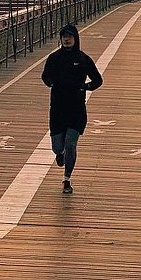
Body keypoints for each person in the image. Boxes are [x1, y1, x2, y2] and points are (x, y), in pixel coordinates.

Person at [41, 24, 103, 194]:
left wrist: (86, 87)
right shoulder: (54, 58)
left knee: (71, 143)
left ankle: (67, 179)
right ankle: (59, 153)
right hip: (58, 108)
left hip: (76, 108)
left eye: (70, 37)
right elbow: (45, 75)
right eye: (64, 37)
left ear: (75, 39)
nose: (67, 39)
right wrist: (51, 83)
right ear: (61, 39)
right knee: (57, 146)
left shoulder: (83, 59)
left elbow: (98, 80)